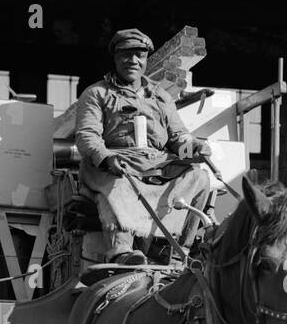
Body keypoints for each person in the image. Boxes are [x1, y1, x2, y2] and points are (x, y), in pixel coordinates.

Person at [74, 28, 214, 265]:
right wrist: (106, 157)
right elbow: (87, 135)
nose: (133, 60)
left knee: (199, 179)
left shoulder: (160, 96)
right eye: (126, 54)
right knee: (117, 185)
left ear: (146, 59)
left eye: (140, 55)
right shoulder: (97, 93)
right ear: (115, 57)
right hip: (118, 165)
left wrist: (194, 147)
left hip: (157, 165)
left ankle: (181, 249)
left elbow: (179, 136)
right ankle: (122, 251)